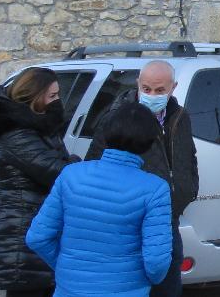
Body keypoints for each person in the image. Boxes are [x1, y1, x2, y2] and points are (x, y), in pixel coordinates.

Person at [26, 103, 173, 297]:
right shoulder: (155, 189)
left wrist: (67, 268)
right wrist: (142, 280)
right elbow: (156, 263)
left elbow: (37, 237)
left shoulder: (70, 174)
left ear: (107, 132)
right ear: (149, 141)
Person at [86, 60, 198, 297]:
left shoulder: (179, 116)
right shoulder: (117, 118)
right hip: (128, 227)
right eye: (146, 89)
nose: (152, 95)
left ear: (173, 87)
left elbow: (188, 156)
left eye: (160, 90)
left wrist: (188, 190)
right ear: (138, 84)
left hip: (168, 221)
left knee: (167, 287)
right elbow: (95, 167)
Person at [0, 66, 77, 297]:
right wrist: (79, 163)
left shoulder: (38, 128)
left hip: (35, 233)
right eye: (52, 96)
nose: (57, 101)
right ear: (35, 97)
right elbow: (56, 171)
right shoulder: (16, 135)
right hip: (21, 239)